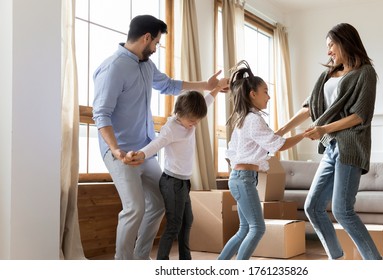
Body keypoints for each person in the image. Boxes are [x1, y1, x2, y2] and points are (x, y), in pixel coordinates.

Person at [92, 14, 222, 260]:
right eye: (156, 43)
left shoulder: (146, 66)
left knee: (160, 202)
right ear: (146, 38)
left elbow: (170, 85)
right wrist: (117, 151)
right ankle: (123, 263)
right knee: (134, 208)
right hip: (121, 152)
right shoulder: (112, 68)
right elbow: (101, 115)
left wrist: (207, 85)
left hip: (145, 150)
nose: (156, 48)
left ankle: (141, 257)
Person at [276, 23, 382, 260]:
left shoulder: (365, 73)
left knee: (342, 211)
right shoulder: (328, 74)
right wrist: (281, 130)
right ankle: (338, 260)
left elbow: (359, 115)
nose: (328, 52)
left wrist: (323, 128)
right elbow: (309, 108)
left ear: (345, 41)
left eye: (331, 45)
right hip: (332, 147)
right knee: (312, 207)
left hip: (351, 146)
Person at [124, 78, 229, 260]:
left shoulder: (191, 115)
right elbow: (157, 144)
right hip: (172, 182)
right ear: (179, 113)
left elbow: (206, 101)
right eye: (191, 121)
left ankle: (184, 260)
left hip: (183, 182)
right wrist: (141, 154)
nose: (194, 124)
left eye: (197, 121)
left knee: (187, 221)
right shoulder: (171, 128)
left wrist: (218, 87)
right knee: (174, 225)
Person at [217, 61, 309, 260]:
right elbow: (279, 145)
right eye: (265, 92)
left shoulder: (246, 119)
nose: (269, 96)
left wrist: (285, 133)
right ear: (253, 94)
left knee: (244, 230)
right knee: (257, 228)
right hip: (243, 179)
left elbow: (268, 142)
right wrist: (303, 135)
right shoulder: (253, 120)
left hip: (241, 178)